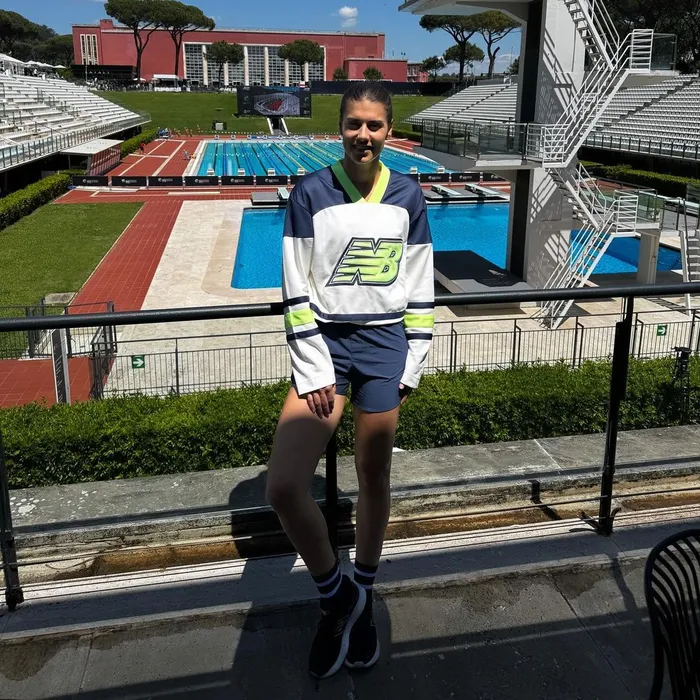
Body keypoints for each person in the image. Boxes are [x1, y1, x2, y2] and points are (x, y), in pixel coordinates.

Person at [266, 83, 434, 679]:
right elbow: (294, 284)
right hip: (327, 348)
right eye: (354, 124)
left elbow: (418, 280)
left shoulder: (408, 195)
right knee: (285, 485)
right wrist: (313, 365)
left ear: (389, 130)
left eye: (375, 125)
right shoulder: (310, 191)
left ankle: (362, 591)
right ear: (340, 127)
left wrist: (414, 359)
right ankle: (337, 595)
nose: (364, 135)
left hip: (386, 347)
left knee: (373, 475)